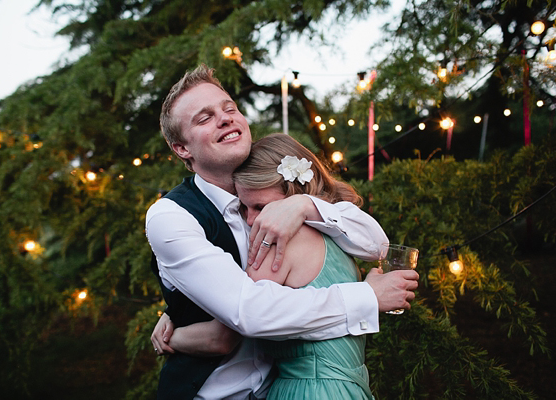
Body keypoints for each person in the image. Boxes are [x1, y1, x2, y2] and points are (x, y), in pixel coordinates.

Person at [146, 64, 418, 399]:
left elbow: (377, 244)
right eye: (204, 118)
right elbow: (247, 311)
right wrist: (366, 297)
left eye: (229, 108)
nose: (226, 118)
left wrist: (306, 206)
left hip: (283, 388)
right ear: (181, 148)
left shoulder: (279, 192)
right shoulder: (171, 216)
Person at [164, 133, 377, 399]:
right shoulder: (337, 232)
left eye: (260, 206)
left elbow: (224, 334)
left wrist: (171, 336)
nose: (252, 219)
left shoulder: (276, 245)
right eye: (243, 208)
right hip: (349, 387)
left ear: (292, 193)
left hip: (307, 390)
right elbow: (377, 246)